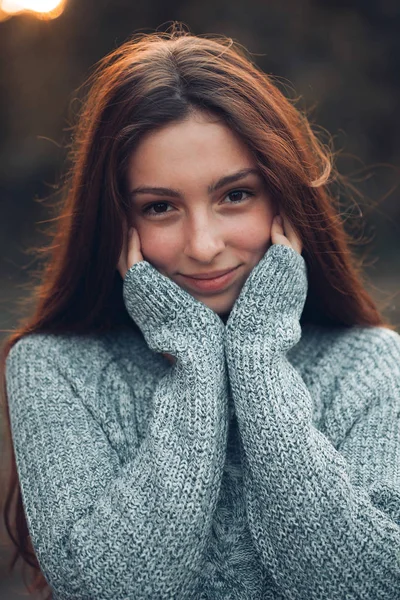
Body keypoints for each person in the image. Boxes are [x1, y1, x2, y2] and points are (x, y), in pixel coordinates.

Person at [1, 24, 400, 600]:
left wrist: (257, 356)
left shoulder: (371, 363)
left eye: (235, 195)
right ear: (117, 223)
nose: (204, 244)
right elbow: (110, 588)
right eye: (160, 206)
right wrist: (195, 361)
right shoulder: (54, 370)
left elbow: (371, 585)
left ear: (283, 200)